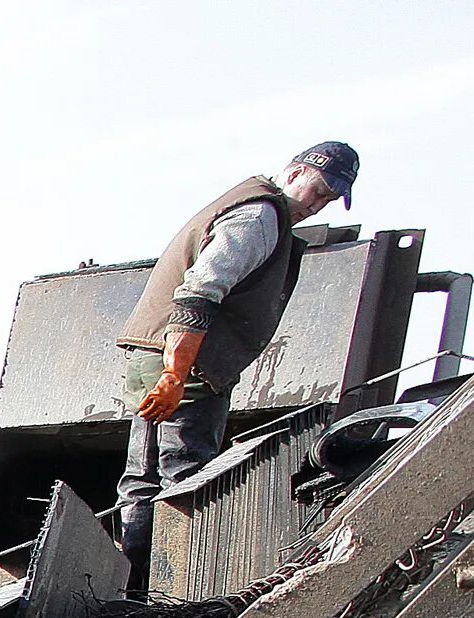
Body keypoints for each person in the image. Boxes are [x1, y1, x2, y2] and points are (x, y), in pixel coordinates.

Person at [115, 141, 359, 578]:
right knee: (185, 481)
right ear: (294, 171)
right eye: (318, 190)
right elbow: (198, 293)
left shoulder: (258, 210)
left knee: (143, 479)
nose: (319, 205)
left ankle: (130, 589)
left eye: (330, 199)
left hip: (159, 354)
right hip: (183, 363)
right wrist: (176, 373)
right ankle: (166, 593)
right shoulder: (260, 217)